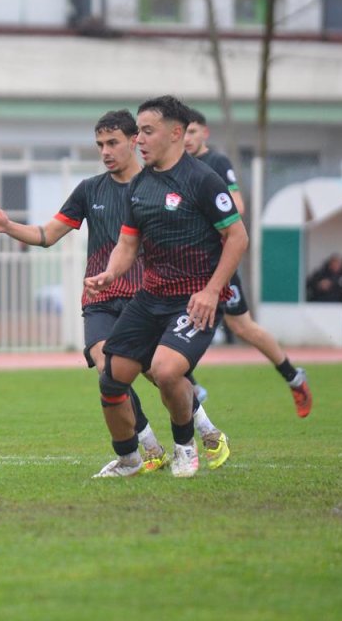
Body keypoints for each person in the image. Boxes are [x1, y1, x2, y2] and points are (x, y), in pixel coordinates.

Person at [0, 109, 230, 477]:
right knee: (109, 370)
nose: (105, 151)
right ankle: (146, 447)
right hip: (99, 298)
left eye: (113, 142)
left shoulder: (156, 187)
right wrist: (8, 226)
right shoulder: (90, 190)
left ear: (134, 141)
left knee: (158, 373)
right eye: (99, 144)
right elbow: (48, 235)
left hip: (144, 296)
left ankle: (204, 429)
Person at [83, 96, 247, 478]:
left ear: (176, 133)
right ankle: (129, 458)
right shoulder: (140, 185)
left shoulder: (204, 180)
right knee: (111, 378)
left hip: (193, 300)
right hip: (150, 297)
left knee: (166, 370)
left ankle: (184, 446)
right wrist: (110, 274)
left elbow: (237, 238)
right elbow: (127, 244)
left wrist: (211, 291)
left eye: (147, 130)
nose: (139, 138)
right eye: (138, 130)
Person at [183, 108, 312, 417]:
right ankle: (189, 383)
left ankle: (293, 376)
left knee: (242, 326)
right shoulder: (175, 166)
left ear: (205, 133)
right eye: (183, 132)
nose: (187, 138)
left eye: (193, 132)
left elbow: (236, 206)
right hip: (185, 265)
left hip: (215, 264)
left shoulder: (216, 163)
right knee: (166, 319)